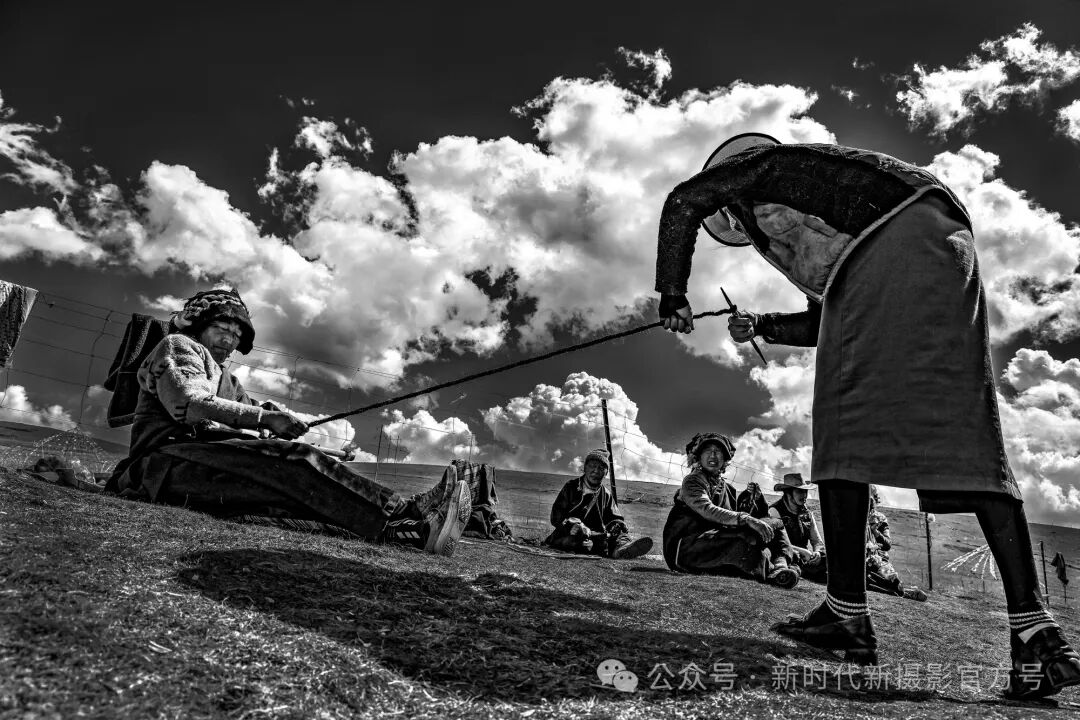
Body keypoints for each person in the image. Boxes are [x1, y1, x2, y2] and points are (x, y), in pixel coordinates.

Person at [654, 133, 1080, 699]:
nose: (736, 221)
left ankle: (846, 613)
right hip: (945, 252)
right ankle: (1037, 634)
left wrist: (673, 293)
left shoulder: (764, 163)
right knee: (967, 445)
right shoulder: (827, 209)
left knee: (843, 432)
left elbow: (684, 200)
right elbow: (825, 319)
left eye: (730, 215)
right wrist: (762, 326)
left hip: (888, 247)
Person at [105, 288, 471, 556]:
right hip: (163, 466)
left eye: (236, 335)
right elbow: (190, 404)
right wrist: (267, 419)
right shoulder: (179, 347)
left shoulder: (227, 380)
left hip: (202, 464)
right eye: (222, 328)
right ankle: (407, 510)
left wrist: (301, 433)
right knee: (293, 460)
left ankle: (410, 533)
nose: (229, 340)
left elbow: (251, 415)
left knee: (291, 490)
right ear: (198, 324)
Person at [662, 433, 799, 588]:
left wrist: (756, 500)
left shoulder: (728, 489)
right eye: (707, 450)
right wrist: (746, 519)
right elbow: (708, 509)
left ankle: (781, 565)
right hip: (687, 548)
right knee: (744, 543)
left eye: (718, 451)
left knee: (774, 525)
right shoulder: (693, 481)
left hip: (715, 541)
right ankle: (779, 571)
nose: (713, 455)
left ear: (725, 459)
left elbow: (734, 520)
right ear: (699, 456)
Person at [544, 449, 653, 559]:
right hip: (571, 534)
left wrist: (617, 525)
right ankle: (606, 550)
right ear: (585, 468)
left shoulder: (606, 494)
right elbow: (556, 517)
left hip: (596, 536)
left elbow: (614, 518)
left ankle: (622, 550)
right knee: (575, 541)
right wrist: (571, 525)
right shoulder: (571, 487)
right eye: (592, 466)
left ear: (606, 473)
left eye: (601, 468)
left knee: (621, 536)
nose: (596, 471)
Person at [865, 487, 928, 602]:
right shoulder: (852, 516)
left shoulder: (880, 518)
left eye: (870, 500)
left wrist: (875, 532)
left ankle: (903, 591)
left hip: (878, 561)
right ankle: (904, 591)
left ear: (874, 501)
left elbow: (887, 545)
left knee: (888, 580)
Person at [768, 473, 826, 583]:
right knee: (791, 564)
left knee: (829, 558)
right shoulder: (775, 511)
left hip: (805, 558)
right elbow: (778, 542)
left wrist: (817, 553)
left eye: (805, 491)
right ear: (788, 493)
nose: (804, 495)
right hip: (784, 555)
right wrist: (803, 552)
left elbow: (817, 541)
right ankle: (785, 575)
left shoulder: (807, 514)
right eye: (800, 491)